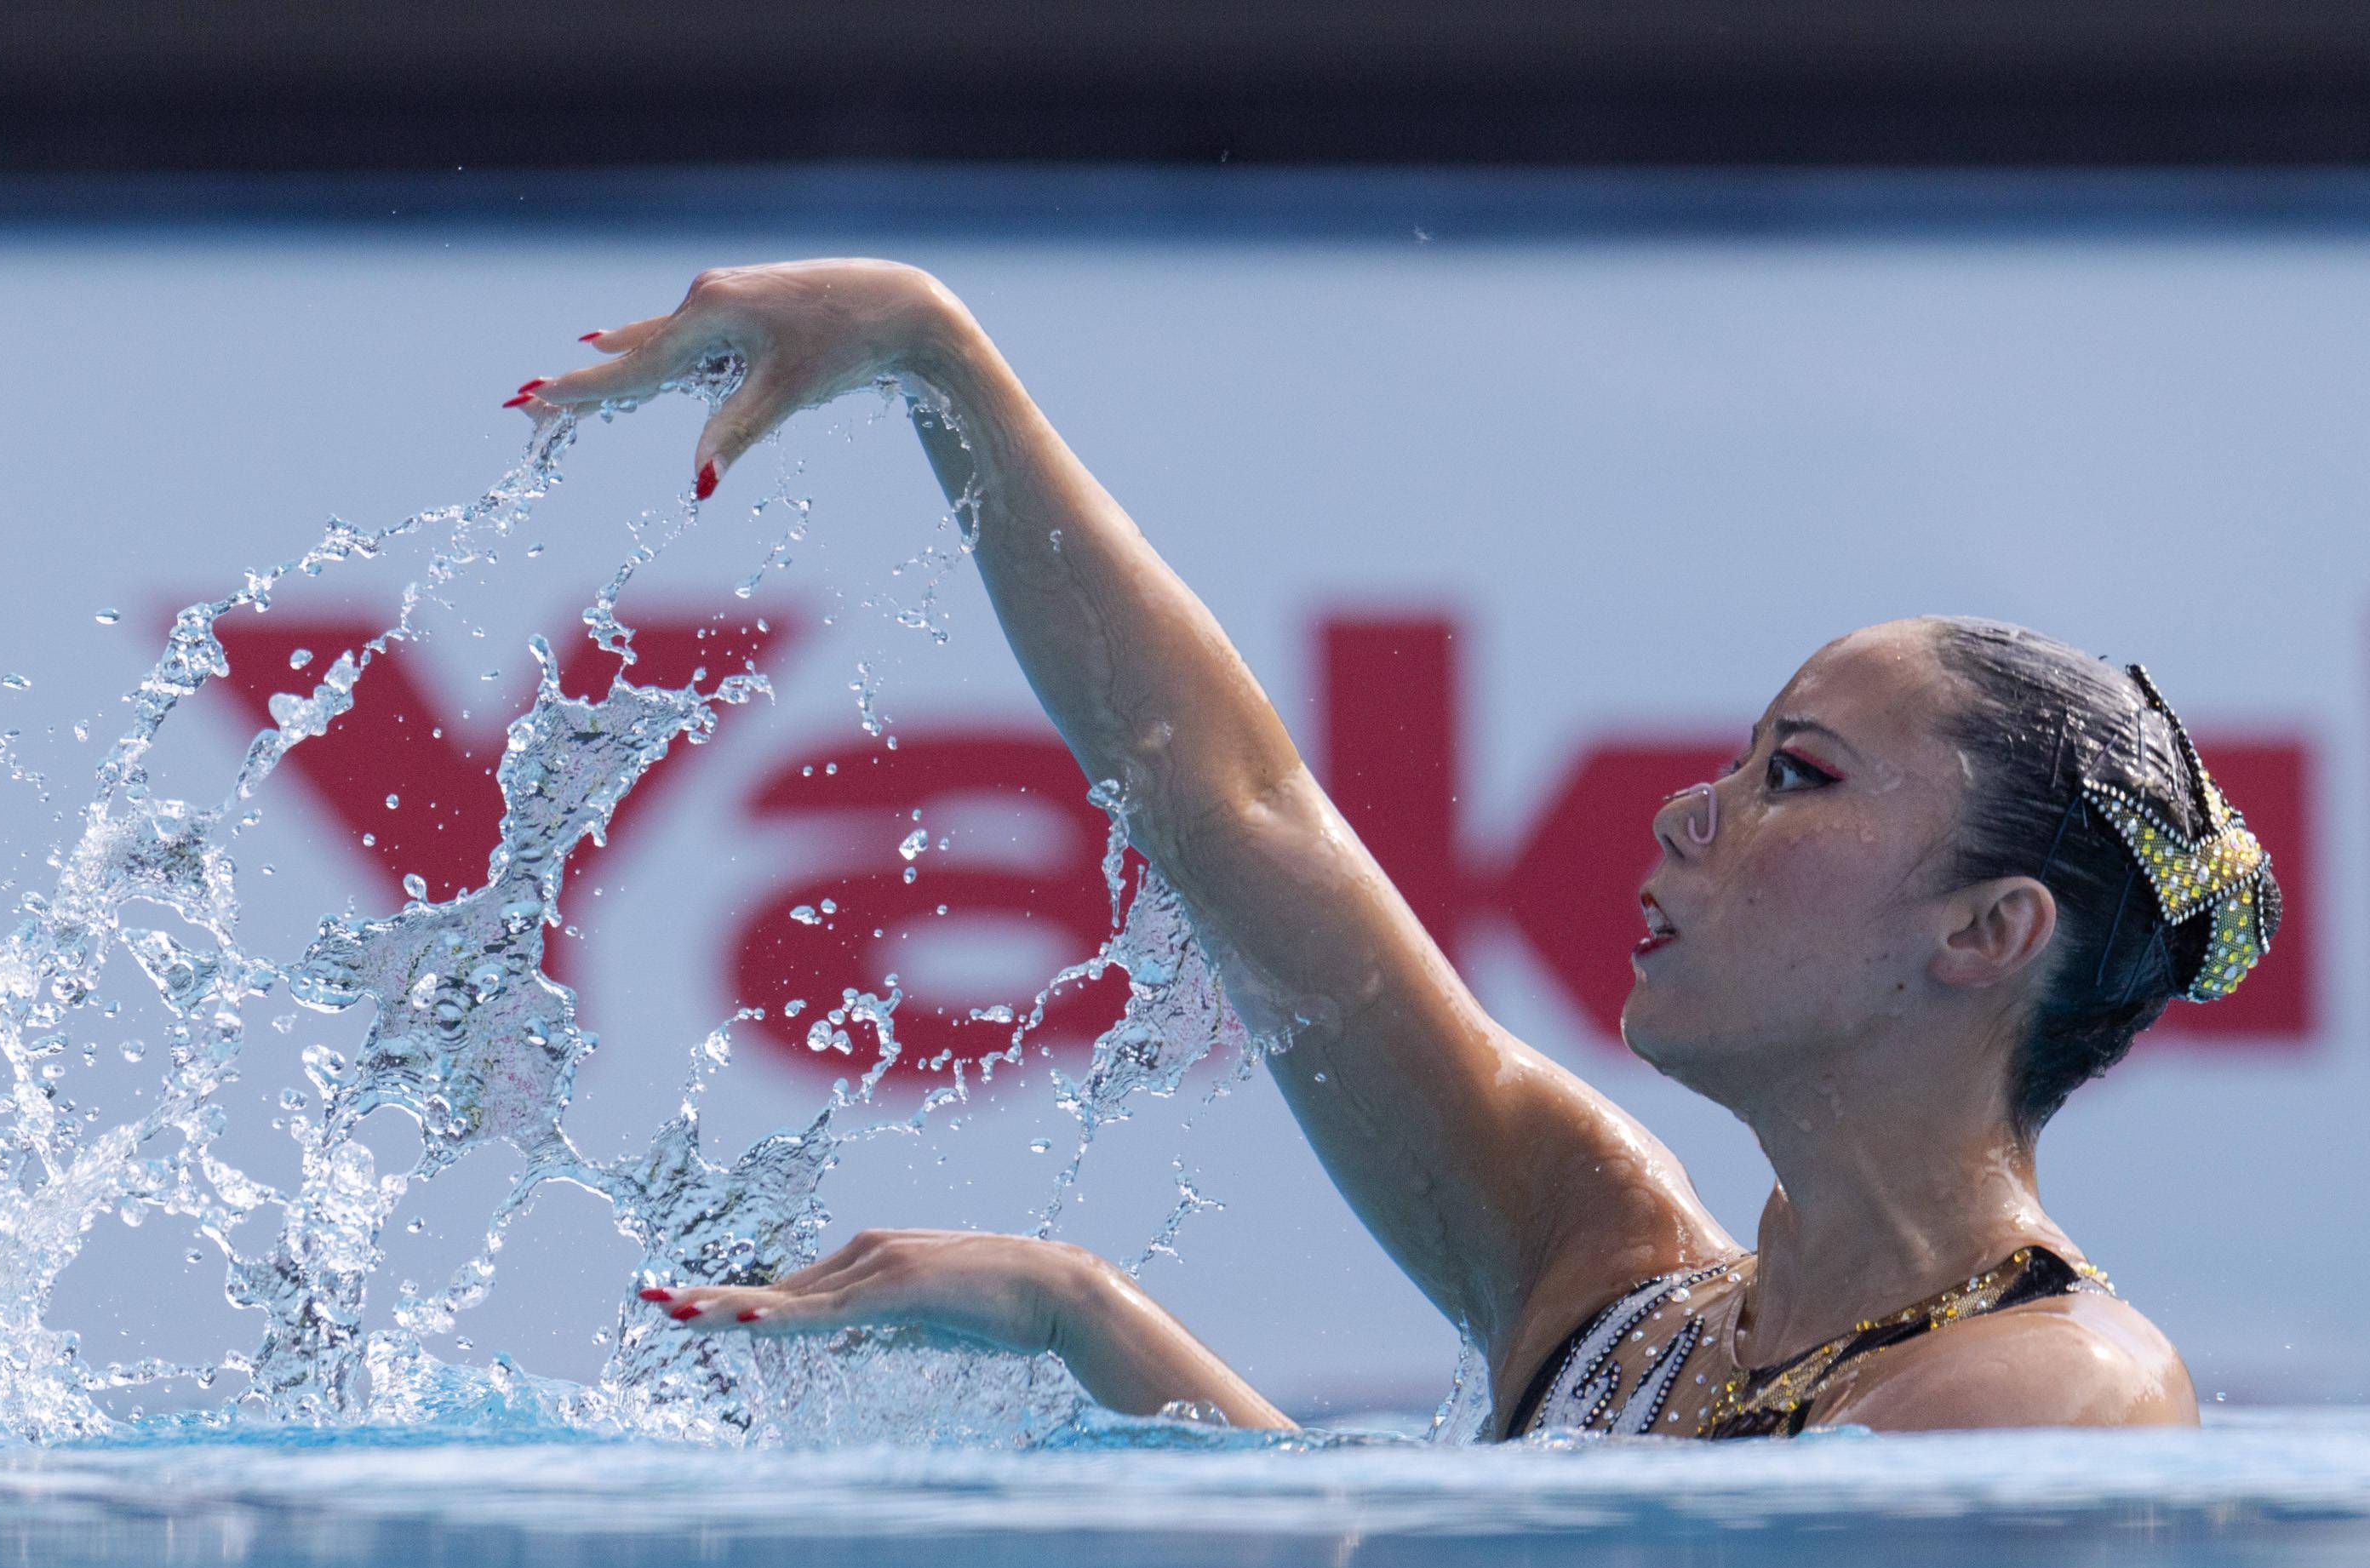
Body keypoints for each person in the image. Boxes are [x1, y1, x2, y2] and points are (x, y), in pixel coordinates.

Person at [510, 260, 2278, 1438]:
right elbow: (1236, 806)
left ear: (1986, 933)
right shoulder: (1616, 1286)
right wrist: (934, 357)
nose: (1688, 810)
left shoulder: (2050, 1395)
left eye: (1798, 775)